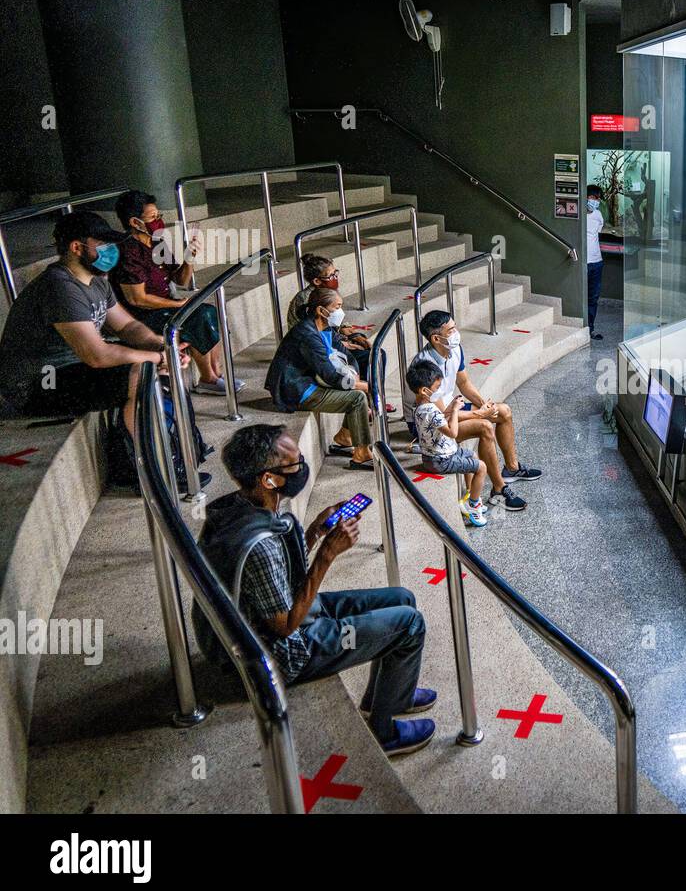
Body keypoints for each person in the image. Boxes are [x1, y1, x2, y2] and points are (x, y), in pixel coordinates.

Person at [195, 424, 436, 756]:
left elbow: (277, 573)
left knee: (402, 598)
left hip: (274, 614)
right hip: (281, 653)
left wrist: (314, 533)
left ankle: (394, 693)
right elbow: (284, 626)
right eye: (294, 464)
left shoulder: (237, 507)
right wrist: (327, 555)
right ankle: (384, 732)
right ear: (268, 479)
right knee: (410, 624)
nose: (302, 468)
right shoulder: (258, 545)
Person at [0, 211, 183, 436]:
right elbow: (97, 355)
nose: (111, 250)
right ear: (77, 248)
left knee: (154, 366)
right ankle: (146, 465)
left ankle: (171, 448)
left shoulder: (97, 280)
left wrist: (160, 345)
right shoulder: (59, 287)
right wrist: (157, 357)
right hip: (39, 382)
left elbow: (127, 327)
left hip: (71, 368)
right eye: (103, 244)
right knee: (139, 373)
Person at [111, 189, 244, 395]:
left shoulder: (157, 242)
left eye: (159, 216)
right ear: (135, 222)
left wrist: (189, 257)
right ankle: (208, 377)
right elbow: (138, 299)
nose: (158, 222)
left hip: (164, 305)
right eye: (153, 217)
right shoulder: (129, 252)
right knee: (198, 317)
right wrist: (178, 305)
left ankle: (216, 373)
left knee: (211, 312)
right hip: (141, 317)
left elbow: (180, 279)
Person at [409, 309, 537, 512]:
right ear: (436, 338)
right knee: (485, 426)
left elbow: (464, 382)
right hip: (433, 424)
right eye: (451, 330)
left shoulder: (454, 348)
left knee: (503, 411)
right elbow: (443, 415)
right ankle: (498, 490)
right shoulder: (426, 365)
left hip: (452, 408)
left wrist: (485, 404)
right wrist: (480, 414)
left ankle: (512, 468)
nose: (456, 333)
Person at [266, 287, 373, 469]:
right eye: (337, 306)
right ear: (321, 310)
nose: (341, 311)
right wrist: (365, 387)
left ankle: (345, 437)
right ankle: (361, 454)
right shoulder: (307, 335)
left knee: (355, 388)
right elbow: (331, 376)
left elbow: (347, 355)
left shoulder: (325, 328)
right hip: (296, 389)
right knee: (357, 398)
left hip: (311, 379)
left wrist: (356, 377)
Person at [406, 358, 489, 527]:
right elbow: (453, 432)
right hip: (441, 460)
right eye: (436, 388)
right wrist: (457, 411)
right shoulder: (431, 410)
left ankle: (469, 494)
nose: (439, 390)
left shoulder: (420, 406)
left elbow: (439, 419)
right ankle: (474, 506)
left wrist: (451, 406)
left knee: (471, 454)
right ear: (424, 390)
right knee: (481, 467)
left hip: (433, 456)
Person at [586, 184, 605, 340]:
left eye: (598, 198)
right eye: (593, 197)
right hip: (583, 263)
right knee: (582, 296)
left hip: (597, 262)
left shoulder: (598, 215)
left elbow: (597, 232)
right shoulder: (577, 215)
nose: (595, 201)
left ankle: (590, 329)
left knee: (593, 298)